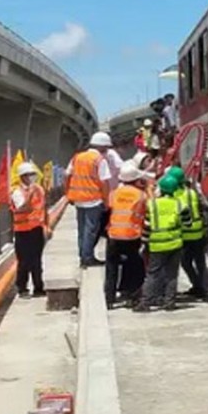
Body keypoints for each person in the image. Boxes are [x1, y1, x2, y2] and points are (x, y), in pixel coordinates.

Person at [135, 175, 192, 312]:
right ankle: (169, 302)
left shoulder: (153, 204)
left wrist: (144, 242)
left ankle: (145, 302)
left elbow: (147, 226)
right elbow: (187, 224)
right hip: (175, 244)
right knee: (172, 274)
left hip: (156, 244)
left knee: (152, 274)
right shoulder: (180, 204)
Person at [65, 131, 115, 267]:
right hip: (93, 200)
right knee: (91, 231)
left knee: (82, 231)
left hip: (78, 199)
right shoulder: (99, 160)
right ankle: (87, 258)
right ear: (102, 147)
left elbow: (67, 175)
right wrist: (106, 202)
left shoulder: (77, 157)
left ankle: (83, 256)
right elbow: (104, 183)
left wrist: (68, 194)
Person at [105, 163, 151, 308]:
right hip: (132, 236)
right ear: (136, 180)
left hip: (114, 235)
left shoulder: (113, 194)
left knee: (111, 267)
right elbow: (149, 211)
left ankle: (109, 298)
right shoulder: (141, 195)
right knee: (134, 265)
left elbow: (107, 211)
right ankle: (133, 295)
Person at [170, 167, 208, 302]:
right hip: (198, 233)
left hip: (184, 235)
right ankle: (207, 292)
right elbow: (205, 206)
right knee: (201, 263)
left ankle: (197, 286)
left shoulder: (173, 195)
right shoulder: (192, 193)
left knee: (186, 263)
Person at [10, 161, 49, 297]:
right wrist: (30, 195)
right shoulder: (17, 192)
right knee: (24, 261)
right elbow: (22, 208)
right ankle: (22, 288)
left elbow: (44, 208)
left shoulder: (38, 189)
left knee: (36, 260)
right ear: (22, 177)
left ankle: (39, 288)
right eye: (28, 175)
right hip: (22, 230)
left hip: (36, 229)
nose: (31, 177)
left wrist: (47, 227)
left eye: (32, 174)